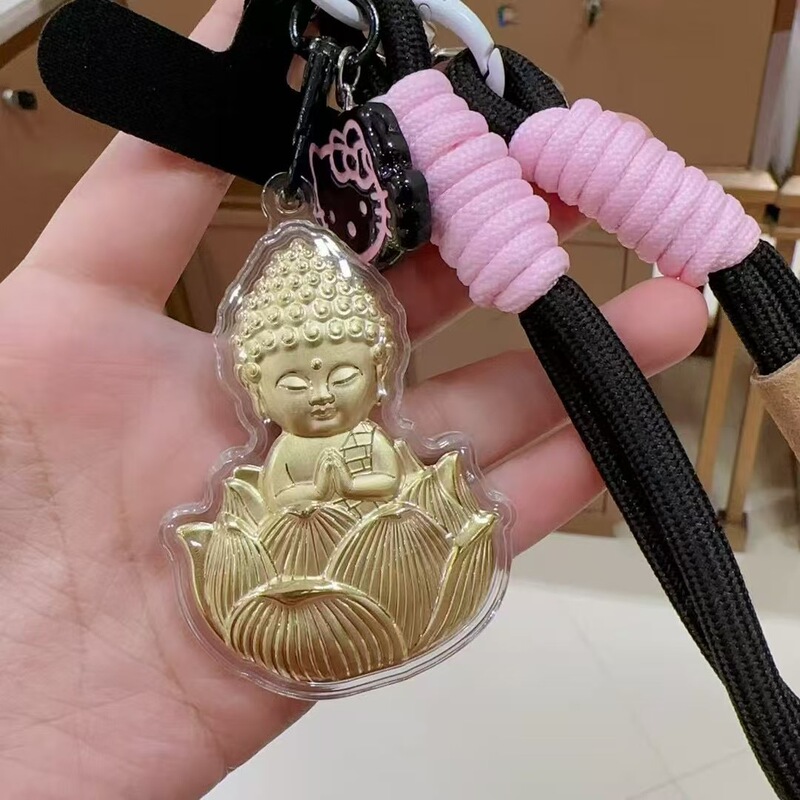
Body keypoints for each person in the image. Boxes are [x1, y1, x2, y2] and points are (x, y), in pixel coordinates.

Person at [0, 1, 708, 797]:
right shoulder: (278, 457)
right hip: (303, 586)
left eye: (340, 375)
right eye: (292, 382)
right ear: (257, 386)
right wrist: (313, 499)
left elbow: (383, 488)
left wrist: (365, 486)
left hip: (366, 566)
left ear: (377, 370)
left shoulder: (371, 434)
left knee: (425, 508)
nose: (319, 394)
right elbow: (285, 505)